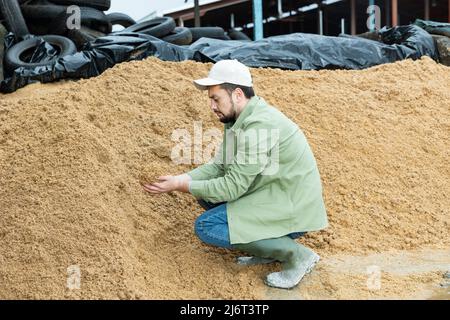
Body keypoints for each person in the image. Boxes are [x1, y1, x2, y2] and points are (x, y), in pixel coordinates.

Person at [143, 59, 328, 289]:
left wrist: (182, 186)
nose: (212, 106)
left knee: (207, 227)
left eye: (215, 98)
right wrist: (183, 179)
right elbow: (219, 167)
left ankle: (297, 256)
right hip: (273, 194)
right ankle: (269, 250)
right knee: (206, 193)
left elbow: (232, 187)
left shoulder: (258, 126)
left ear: (237, 94)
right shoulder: (238, 120)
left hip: (293, 208)